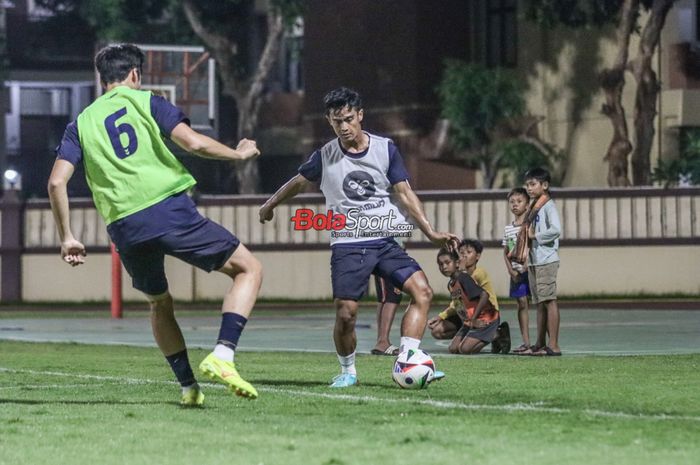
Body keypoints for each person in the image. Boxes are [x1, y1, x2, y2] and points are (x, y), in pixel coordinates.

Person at [48, 44, 263, 406]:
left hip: (124, 228)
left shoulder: (79, 124)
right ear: (134, 74)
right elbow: (194, 143)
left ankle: (188, 387)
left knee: (158, 303)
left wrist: (67, 236)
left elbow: (56, 182)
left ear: (102, 80)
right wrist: (239, 154)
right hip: (167, 210)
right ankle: (223, 355)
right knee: (249, 269)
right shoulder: (146, 101)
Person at [258, 87, 457, 387]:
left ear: (360, 115)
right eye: (336, 121)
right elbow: (297, 183)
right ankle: (347, 370)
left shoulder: (385, 148)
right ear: (329, 120)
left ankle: (408, 360)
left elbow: (404, 193)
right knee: (347, 313)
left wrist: (430, 232)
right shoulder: (324, 156)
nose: (343, 126)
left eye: (348, 119)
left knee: (423, 292)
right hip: (348, 244)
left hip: (384, 240)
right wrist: (270, 203)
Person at [446, 239, 510, 355]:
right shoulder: (455, 280)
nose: (464, 255)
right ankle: (476, 334)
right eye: (461, 253)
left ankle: (497, 334)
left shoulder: (476, 274)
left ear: (478, 256)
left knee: (464, 349)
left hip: (486, 315)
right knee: (453, 348)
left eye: (468, 252)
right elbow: (459, 303)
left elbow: (485, 295)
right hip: (471, 316)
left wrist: (475, 319)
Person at [524, 167, 562, 356]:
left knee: (549, 301)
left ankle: (553, 345)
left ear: (544, 185)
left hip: (546, 259)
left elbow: (556, 229)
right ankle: (539, 343)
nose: (529, 188)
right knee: (539, 302)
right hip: (534, 260)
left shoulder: (548, 205)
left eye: (533, 184)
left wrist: (535, 235)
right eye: (527, 185)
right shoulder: (534, 207)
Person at [502, 187, 532, 354]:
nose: (515, 205)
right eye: (512, 202)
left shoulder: (530, 226)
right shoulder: (508, 229)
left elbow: (533, 247)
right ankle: (526, 342)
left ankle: (541, 342)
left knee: (539, 304)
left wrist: (529, 263)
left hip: (531, 271)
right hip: (517, 273)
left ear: (527, 205)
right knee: (522, 303)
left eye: (519, 201)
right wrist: (511, 271)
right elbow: (506, 252)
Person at [427, 248, 463, 341]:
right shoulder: (451, 284)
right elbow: (457, 304)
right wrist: (440, 317)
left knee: (463, 349)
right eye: (441, 264)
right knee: (437, 331)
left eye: (447, 262)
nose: (444, 267)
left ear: (457, 263)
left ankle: (495, 333)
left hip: (475, 317)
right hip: (463, 317)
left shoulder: (465, 279)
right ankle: (465, 335)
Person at [370, 273, 402, 356]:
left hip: (390, 261)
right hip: (387, 261)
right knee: (391, 294)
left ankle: (381, 340)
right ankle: (382, 342)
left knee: (385, 296)